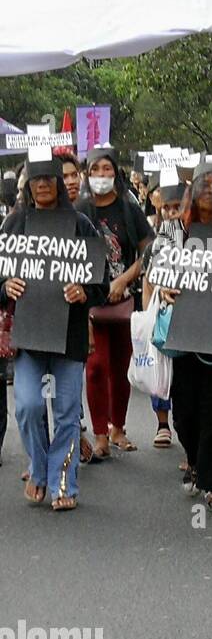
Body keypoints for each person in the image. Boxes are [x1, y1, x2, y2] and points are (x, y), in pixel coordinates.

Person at [1, 149, 107, 510]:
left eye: (49, 178)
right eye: (37, 179)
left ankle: (64, 483)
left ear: (59, 183)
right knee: (29, 406)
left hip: (69, 336)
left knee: (66, 413)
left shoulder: (81, 224)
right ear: (28, 185)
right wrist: (5, 286)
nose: (43, 184)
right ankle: (38, 468)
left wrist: (85, 292)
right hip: (29, 336)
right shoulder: (14, 225)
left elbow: (102, 281)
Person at [148, 159, 212, 517]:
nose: (211, 191)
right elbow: (155, 266)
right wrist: (165, 287)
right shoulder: (172, 230)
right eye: (205, 184)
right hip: (185, 329)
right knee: (185, 411)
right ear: (192, 191)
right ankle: (193, 459)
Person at [78, 145, 153, 459]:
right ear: (87, 174)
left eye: (106, 169)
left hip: (125, 302)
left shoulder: (129, 209)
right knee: (96, 367)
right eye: (95, 170)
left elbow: (150, 249)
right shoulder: (80, 210)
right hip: (89, 303)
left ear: (116, 173)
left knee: (121, 367)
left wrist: (125, 279)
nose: (101, 175)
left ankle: (118, 428)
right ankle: (100, 435)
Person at [139, 175, 189, 449]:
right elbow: (148, 283)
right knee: (160, 373)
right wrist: (149, 318)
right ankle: (162, 423)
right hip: (162, 321)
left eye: (176, 207)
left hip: (190, 323)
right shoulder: (155, 246)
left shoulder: (198, 241)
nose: (171, 213)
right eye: (166, 208)